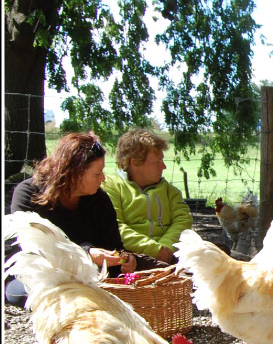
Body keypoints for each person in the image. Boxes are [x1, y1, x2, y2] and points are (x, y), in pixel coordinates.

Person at [5, 132, 137, 306]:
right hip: (37, 275)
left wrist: (125, 259)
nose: (103, 179)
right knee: (30, 292)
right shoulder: (28, 194)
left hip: (89, 276)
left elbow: (113, 245)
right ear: (72, 174)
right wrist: (86, 254)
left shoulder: (99, 200)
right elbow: (26, 252)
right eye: (97, 174)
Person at [102, 129, 193, 264]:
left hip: (170, 254)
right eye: (157, 162)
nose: (164, 166)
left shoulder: (169, 190)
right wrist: (155, 251)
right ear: (135, 163)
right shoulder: (111, 187)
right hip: (131, 259)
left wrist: (166, 248)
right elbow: (114, 226)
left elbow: (183, 219)